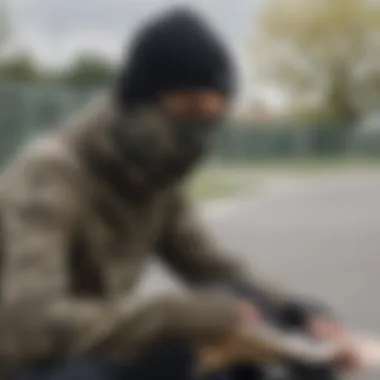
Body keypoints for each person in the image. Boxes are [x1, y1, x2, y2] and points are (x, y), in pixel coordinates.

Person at [0, 7, 356, 380]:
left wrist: (295, 314)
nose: (198, 134)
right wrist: (171, 316)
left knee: (233, 360)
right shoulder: (51, 176)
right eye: (188, 110)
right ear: (137, 104)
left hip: (81, 350)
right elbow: (28, 331)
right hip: (18, 358)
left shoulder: (154, 178)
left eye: (212, 117)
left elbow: (214, 268)